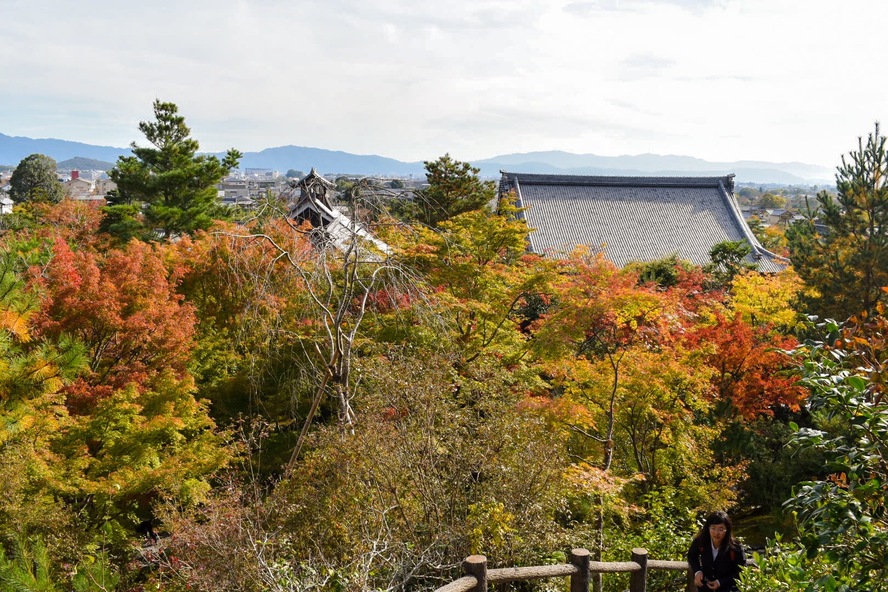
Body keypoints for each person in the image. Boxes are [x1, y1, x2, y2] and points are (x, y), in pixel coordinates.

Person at [687, 511, 746, 591]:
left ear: (727, 529)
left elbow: (742, 571)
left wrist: (720, 582)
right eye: (713, 528)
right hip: (706, 586)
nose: (716, 533)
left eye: (721, 529)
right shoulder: (701, 541)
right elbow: (692, 555)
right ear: (708, 528)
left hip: (728, 587)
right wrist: (697, 571)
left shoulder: (735, 547)